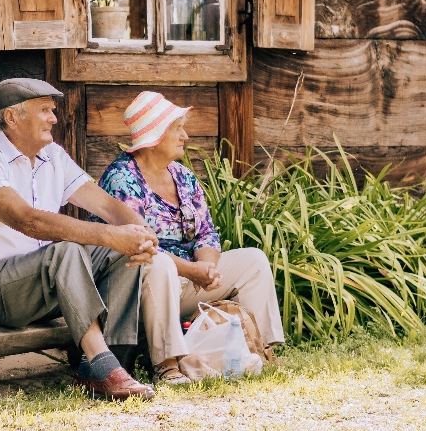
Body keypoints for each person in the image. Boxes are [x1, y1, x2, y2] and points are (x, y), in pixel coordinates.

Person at [0, 78, 160, 400]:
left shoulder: (53, 156)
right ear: (12, 118)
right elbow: (28, 220)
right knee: (66, 250)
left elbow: (105, 204)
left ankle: (109, 366)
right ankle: (106, 368)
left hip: (43, 287)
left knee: (118, 253)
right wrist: (109, 235)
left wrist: (140, 233)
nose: (54, 118)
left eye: (53, 110)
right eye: (45, 111)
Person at [96, 91, 285, 385]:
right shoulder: (123, 179)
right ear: (155, 135)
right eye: (177, 128)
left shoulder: (182, 176)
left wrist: (207, 267)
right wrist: (190, 270)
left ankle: (259, 349)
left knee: (253, 261)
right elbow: (139, 247)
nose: (185, 136)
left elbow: (206, 231)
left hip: (185, 278)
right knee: (159, 265)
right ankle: (165, 364)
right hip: (133, 286)